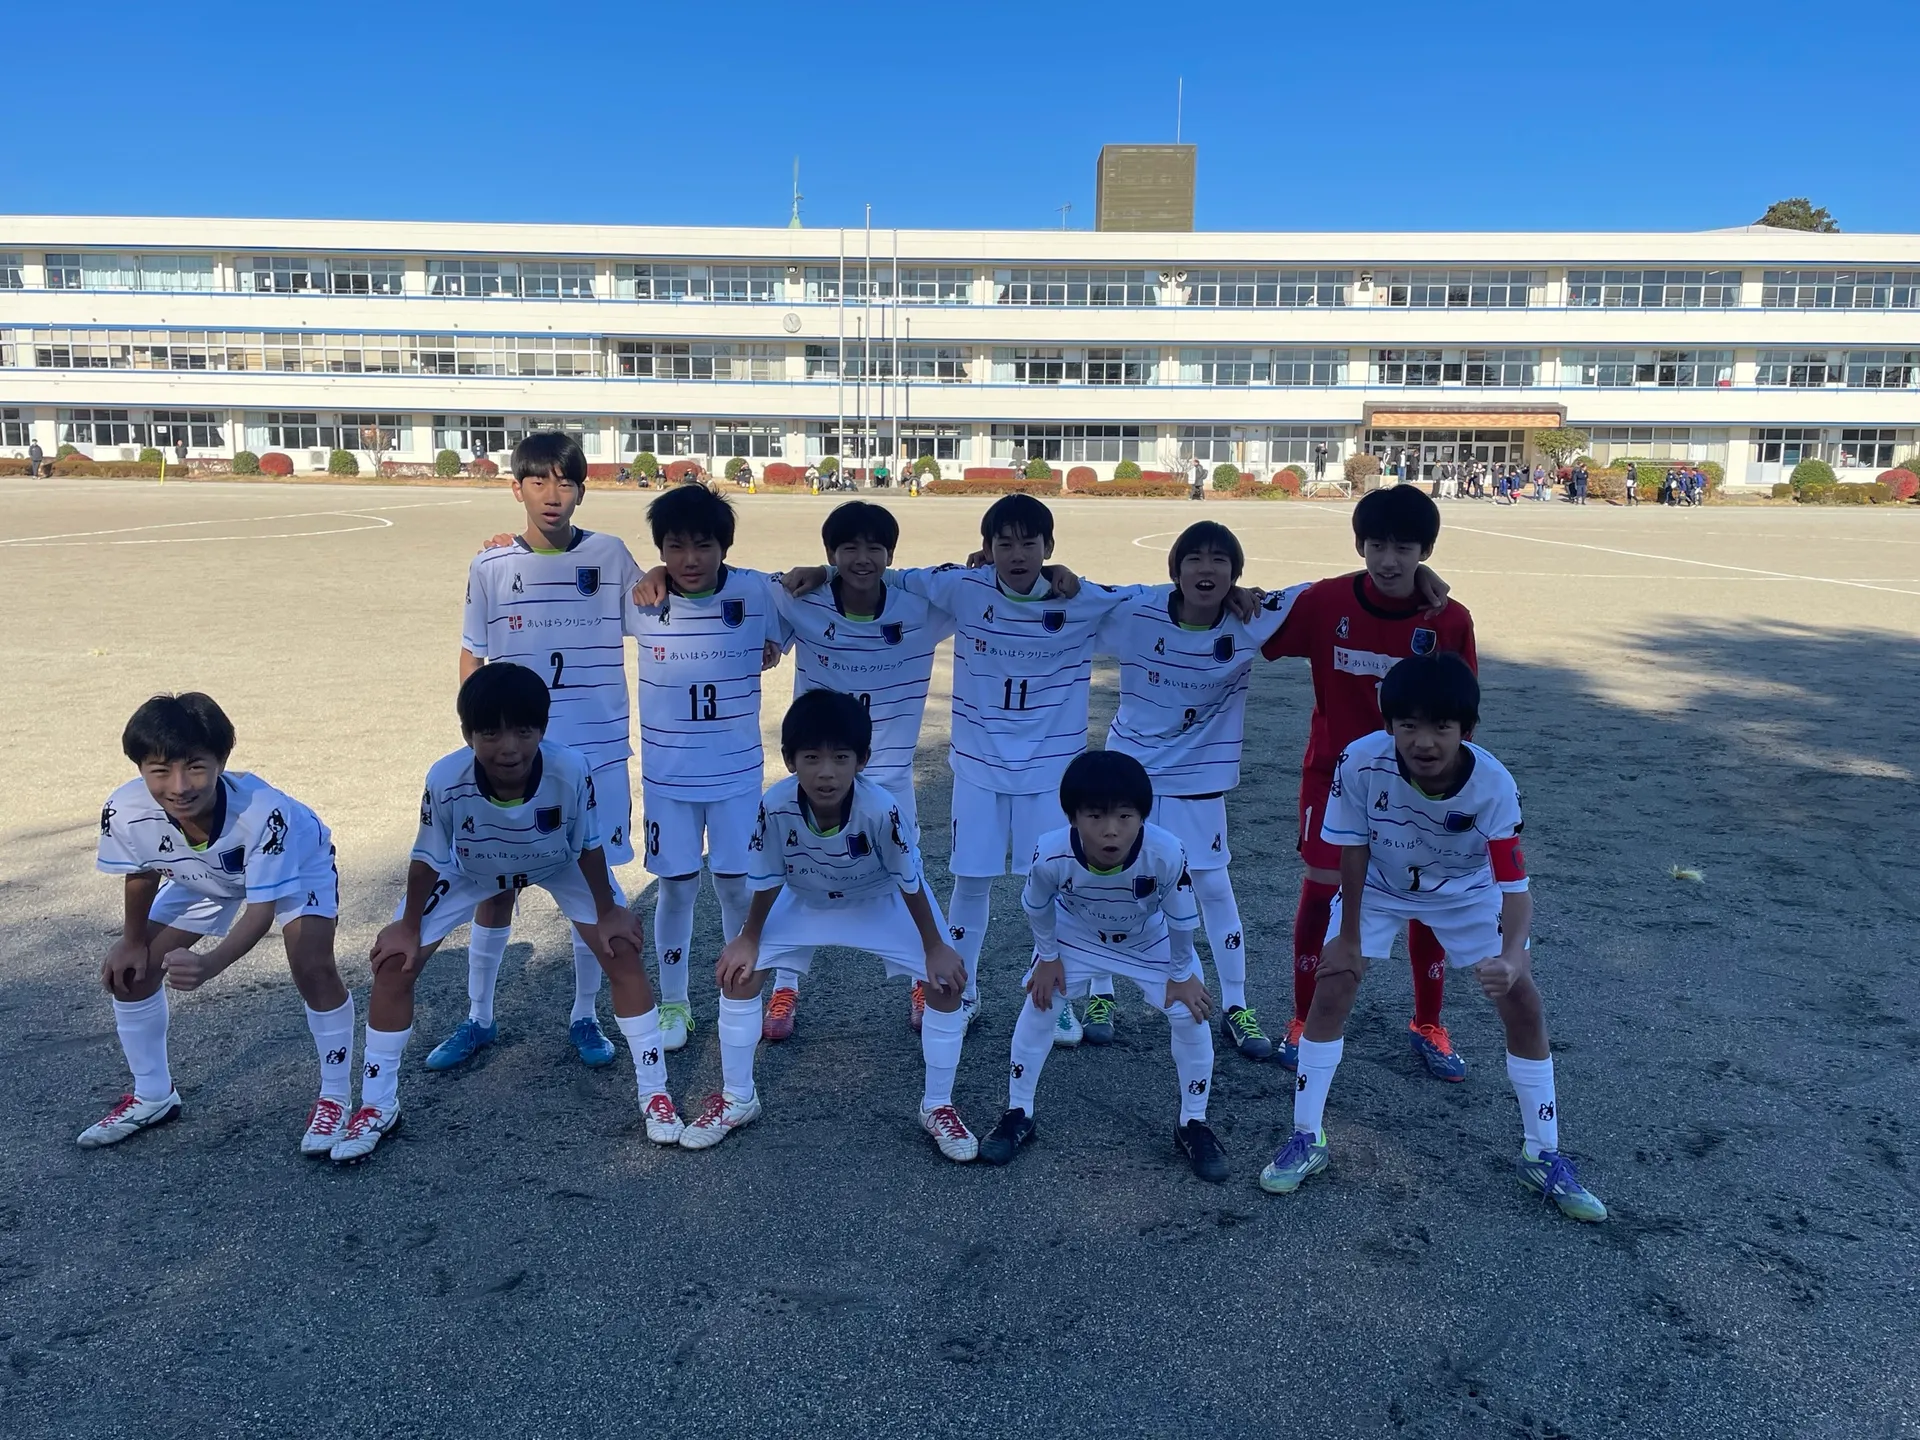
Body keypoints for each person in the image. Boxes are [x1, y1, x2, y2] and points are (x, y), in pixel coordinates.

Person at [1257, 654, 1607, 1223]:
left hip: (1465, 891)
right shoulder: (1360, 760)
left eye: (1441, 726)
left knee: (1522, 999)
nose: (1424, 741)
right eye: (1408, 725)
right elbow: (1353, 846)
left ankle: (1542, 1153)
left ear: (1467, 730)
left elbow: (1515, 887)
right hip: (1378, 882)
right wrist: (1349, 937)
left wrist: (1513, 958)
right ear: (1388, 724)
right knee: (1333, 985)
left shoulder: (1494, 784)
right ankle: (1306, 1136)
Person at [784, 496, 1149, 1030]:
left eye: (1029, 544)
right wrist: (824, 570)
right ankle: (964, 990)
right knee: (970, 883)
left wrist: (1236, 593)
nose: (1017, 554)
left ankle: (1059, 996)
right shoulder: (963, 588)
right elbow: (891, 577)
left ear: (1049, 548)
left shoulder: (1079, 597)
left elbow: (1150, 600)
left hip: (1049, 774)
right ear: (987, 549)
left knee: (1058, 884)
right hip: (979, 768)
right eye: (1005, 544)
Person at [332, 663, 683, 1164]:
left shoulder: (571, 768)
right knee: (394, 963)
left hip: (557, 862)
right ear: (467, 735)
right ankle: (377, 1106)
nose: (509, 747)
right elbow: (428, 855)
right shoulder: (445, 778)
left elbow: (587, 843)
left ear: (542, 728)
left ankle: (655, 1095)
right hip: (473, 867)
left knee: (621, 948)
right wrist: (407, 927)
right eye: (490, 733)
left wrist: (608, 912)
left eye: (523, 730)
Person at [687, 690, 980, 1160]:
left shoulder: (881, 808)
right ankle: (738, 1098)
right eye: (812, 758)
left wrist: (934, 947)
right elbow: (767, 875)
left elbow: (910, 881)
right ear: (789, 760)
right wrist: (748, 937)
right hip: (805, 898)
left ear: (862, 760)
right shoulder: (775, 804)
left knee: (946, 984)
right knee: (739, 975)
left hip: (878, 900)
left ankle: (937, 1106)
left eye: (841, 758)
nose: (826, 772)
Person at [443, 432, 644, 1071]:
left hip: (598, 753)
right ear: (517, 488)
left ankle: (585, 1015)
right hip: (515, 757)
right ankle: (479, 1016)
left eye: (566, 482)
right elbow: (473, 653)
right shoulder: (490, 565)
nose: (552, 494)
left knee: (595, 883)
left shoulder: (610, 554)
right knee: (494, 882)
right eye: (538, 481)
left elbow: (659, 606)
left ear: (583, 490)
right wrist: (477, 738)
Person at [1261, 485, 1475, 1079]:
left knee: (1424, 896)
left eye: (1404, 548)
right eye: (1377, 545)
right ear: (1359, 544)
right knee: (1322, 890)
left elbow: (1462, 713)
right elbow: (1251, 617)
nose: (1388, 560)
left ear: (1425, 551)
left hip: (1418, 783)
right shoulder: (1325, 601)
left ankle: (1428, 1022)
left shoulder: (1449, 619)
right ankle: (1303, 1019)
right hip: (1334, 777)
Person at [83, 693, 353, 1155]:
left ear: (222, 761)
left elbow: (260, 911)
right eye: (160, 770)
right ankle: (153, 1096)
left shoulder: (266, 812)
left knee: (314, 969)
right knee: (131, 975)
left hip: (294, 861)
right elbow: (142, 870)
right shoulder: (124, 809)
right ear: (139, 767)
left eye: (195, 767)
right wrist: (131, 940)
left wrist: (210, 965)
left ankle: (336, 1098)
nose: (179, 786)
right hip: (201, 872)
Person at [1095, 522, 1306, 1059]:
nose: (1206, 569)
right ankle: (1100, 993)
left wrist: (1419, 576)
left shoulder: (1250, 618)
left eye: (1219, 561)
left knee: (1212, 888)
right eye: (1194, 559)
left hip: (1198, 783)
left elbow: (1326, 594)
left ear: (1236, 574)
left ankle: (1236, 1004)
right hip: (1129, 777)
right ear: (1175, 569)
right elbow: (1071, 594)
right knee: (1110, 882)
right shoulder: (1136, 609)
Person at [978, 749, 1227, 1182]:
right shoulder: (1050, 852)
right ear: (1072, 816)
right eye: (1095, 816)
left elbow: (1183, 920)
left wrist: (1181, 975)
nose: (1111, 830)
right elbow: (1036, 906)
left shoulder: (1167, 852)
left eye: (1125, 816)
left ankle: (1193, 1122)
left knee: (1191, 1012)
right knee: (1040, 1003)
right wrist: (1048, 958)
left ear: (1143, 816)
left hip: (1148, 937)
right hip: (1077, 934)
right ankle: (1018, 1111)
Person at [759, 501, 953, 1040]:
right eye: (848, 548)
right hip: (819, 773)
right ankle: (785, 986)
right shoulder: (803, 599)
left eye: (875, 547)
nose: (862, 558)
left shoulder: (920, 608)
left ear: (892, 553)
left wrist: (1049, 571)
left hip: (887, 775)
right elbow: (744, 583)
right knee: (797, 873)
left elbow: (978, 585)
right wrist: (820, 575)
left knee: (906, 872)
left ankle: (922, 974)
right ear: (830, 553)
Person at [627, 485, 792, 1051]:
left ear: (725, 547)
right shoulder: (642, 599)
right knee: (675, 891)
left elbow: (819, 587)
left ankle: (738, 994)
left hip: (735, 779)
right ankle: (674, 1004)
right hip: (668, 780)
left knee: (736, 889)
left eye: (704, 545)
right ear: (660, 549)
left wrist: (775, 642)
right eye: (674, 547)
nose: (689, 559)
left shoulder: (757, 592)